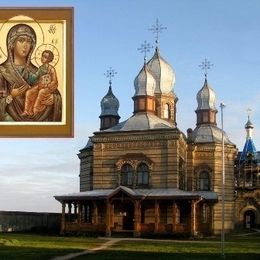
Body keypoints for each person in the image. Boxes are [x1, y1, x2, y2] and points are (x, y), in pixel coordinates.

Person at [0, 23, 62, 121]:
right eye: (21, 40)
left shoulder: (37, 71)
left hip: (39, 122)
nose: (25, 45)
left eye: (28, 41)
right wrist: (11, 96)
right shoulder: (2, 71)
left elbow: (54, 90)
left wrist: (54, 99)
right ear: (12, 44)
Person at [22, 50, 58, 116]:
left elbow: (55, 81)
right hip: (40, 85)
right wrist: (29, 73)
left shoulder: (51, 69)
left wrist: (47, 85)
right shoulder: (41, 68)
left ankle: (35, 110)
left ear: (49, 59)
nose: (42, 58)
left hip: (48, 88)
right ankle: (26, 111)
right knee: (29, 92)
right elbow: (35, 77)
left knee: (41, 92)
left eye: (45, 57)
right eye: (42, 56)